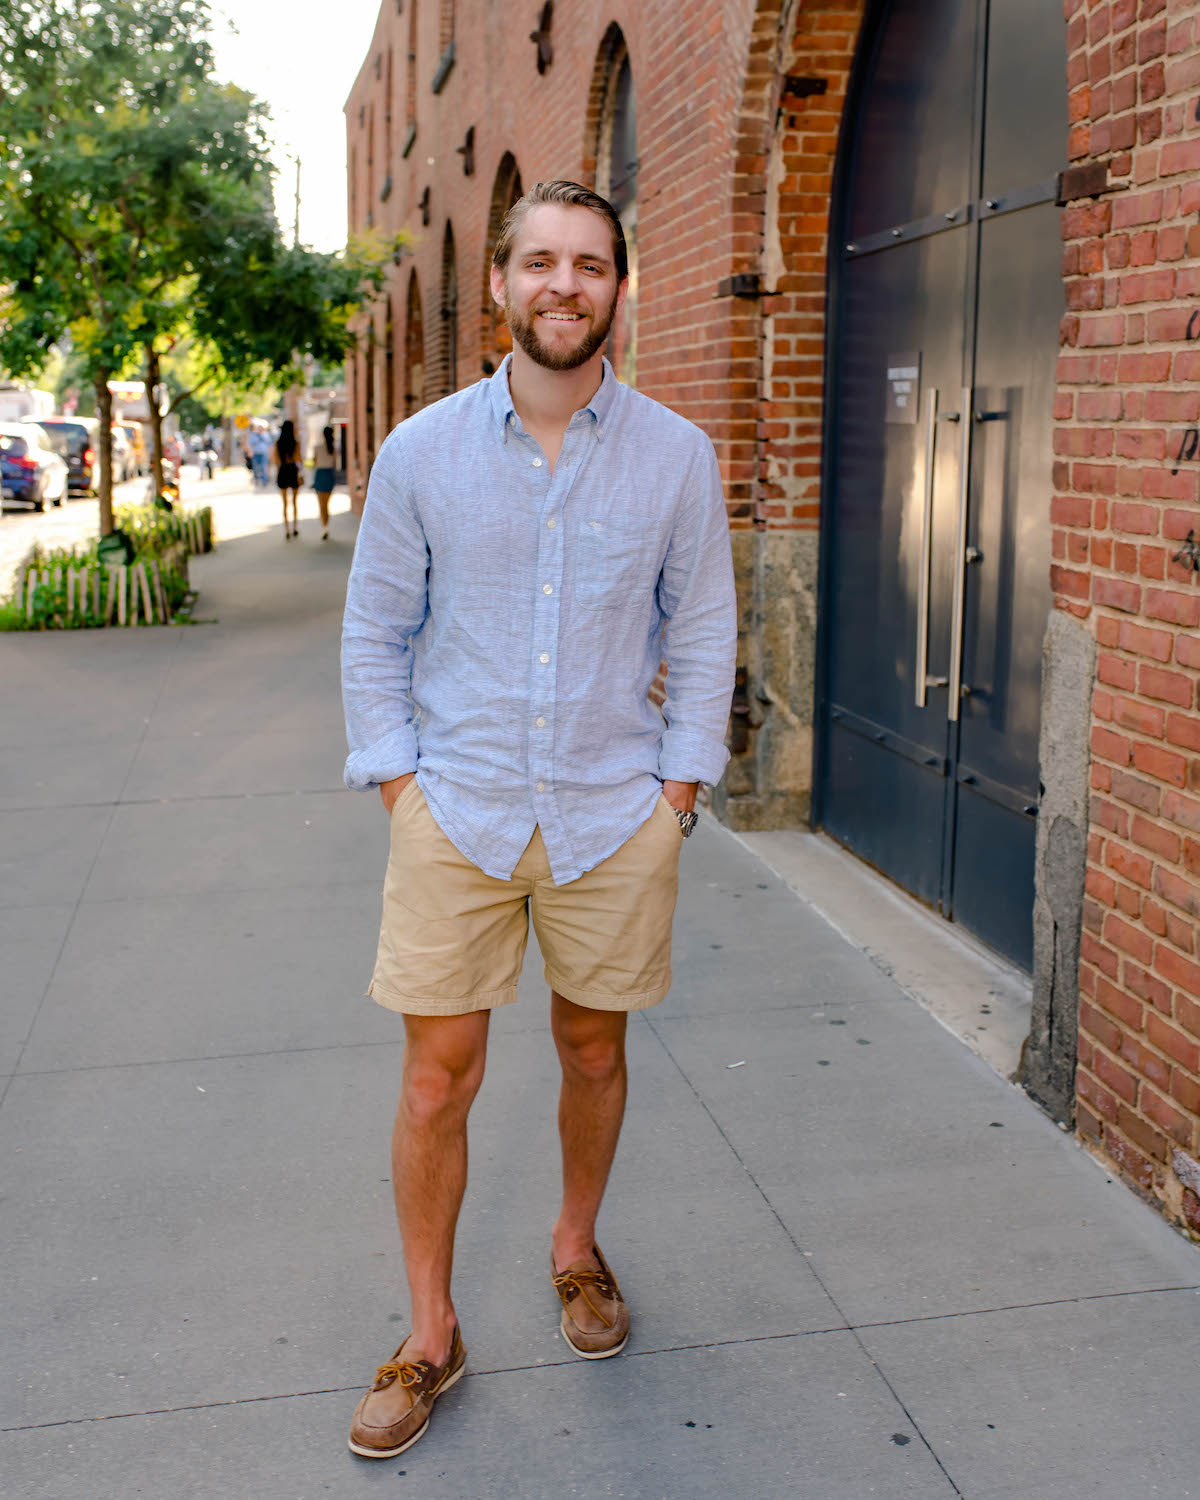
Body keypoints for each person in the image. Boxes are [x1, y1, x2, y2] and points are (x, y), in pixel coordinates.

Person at [340, 180, 737, 1461]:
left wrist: (679, 792)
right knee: (435, 1080)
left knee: (591, 1054)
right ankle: (431, 1332)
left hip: (615, 810)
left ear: (622, 287)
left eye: (592, 264)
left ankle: (575, 1246)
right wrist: (399, 783)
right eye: (541, 263)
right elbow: (375, 633)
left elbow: (707, 630)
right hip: (453, 806)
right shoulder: (420, 453)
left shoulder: (677, 455)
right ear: (499, 288)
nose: (566, 284)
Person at [275, 419, 301, 538]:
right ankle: (295, 527)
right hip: (292, 471)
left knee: (284, 503)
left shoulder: (278, 444)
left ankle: (287, 530)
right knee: (294, 502)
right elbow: (298, 459)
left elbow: (276, 461)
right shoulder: (296, 443)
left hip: (282, 471)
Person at [310, 423, 337, 540]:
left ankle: (324, 527)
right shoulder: (334, 449)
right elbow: (335, 463)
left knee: (321, 505)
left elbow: (314, 463)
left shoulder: (317, 448)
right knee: (327, 504)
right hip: (329, 475)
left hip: (320, 474)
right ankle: (326, 527)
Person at [248, 421, 271, 489]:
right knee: (255, 468)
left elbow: (269, 443)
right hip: (255, 454)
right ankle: (256, 480)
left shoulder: (265, 435)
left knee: (263, 468)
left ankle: (264, 481)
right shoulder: (253, 435)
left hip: (263, 454)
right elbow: (251, 443)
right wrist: (250, 452)